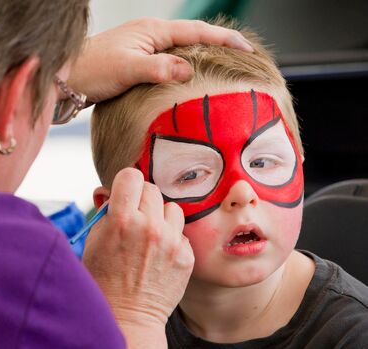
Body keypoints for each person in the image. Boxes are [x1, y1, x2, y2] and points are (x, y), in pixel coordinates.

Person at [0, 1, 257, 348]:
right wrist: (135, 316)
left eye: (262, 162)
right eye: (58, 100)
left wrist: (48, 80)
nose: (242, 190)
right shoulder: (15, 266)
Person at [89, 19, 368, 348]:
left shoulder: (352, 334)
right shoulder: (103, 312)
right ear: (116, 209)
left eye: (262, 163)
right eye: (191, 174)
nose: (243, 192)